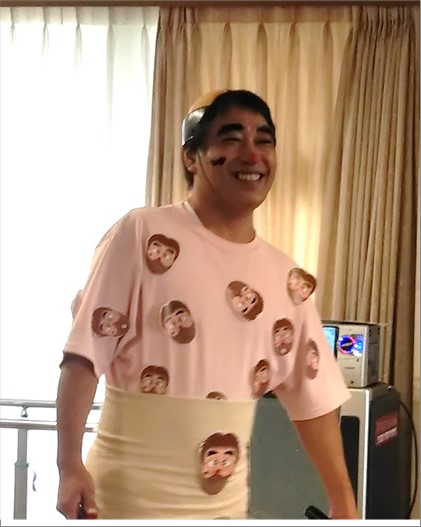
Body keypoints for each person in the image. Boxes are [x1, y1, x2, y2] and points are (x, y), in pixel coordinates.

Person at [55, 89, 359, 520]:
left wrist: (343, 502)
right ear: (191, 157)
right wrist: (68, 463)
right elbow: (84, 355)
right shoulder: (142, 235)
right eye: (231, 138)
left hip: (224, 510)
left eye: (264, 140)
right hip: (124, 500)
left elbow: (315, 398)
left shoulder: (287, 280)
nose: (252, 154)